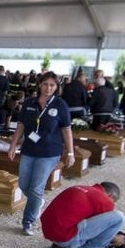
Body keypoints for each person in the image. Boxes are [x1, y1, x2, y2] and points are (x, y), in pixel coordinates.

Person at [8, 72, 75, 236]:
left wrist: (71, 152)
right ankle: (37, 202)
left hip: (49, 152)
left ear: (57, 87)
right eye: (45, 84)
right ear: (39, 85)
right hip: (29, 150)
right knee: (24, 184)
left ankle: (28, 221)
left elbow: (67, 130)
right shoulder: (30, 103)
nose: (48, 88)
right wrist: (13, 145)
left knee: (36, 188)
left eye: (52, 85)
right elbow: (21, 125)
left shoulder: (60, 105)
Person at [41, 182, 125, 248]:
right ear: (110, 195)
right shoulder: (104, 200)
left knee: (75, 215)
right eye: (114, 201)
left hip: (48, 232)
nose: (112, 204)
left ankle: (59, 246)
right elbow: (100, 228)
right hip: (64, 237)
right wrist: (113, 237)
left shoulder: (78, 187)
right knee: (119, 217)